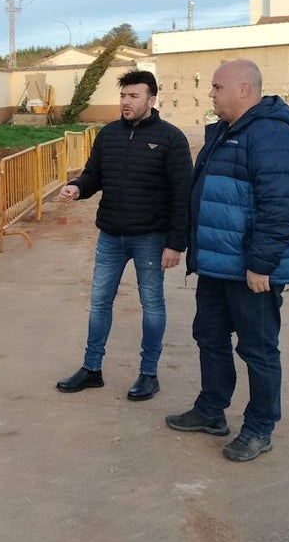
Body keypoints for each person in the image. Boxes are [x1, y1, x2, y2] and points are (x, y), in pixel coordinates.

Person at [165, 59, 289, 462]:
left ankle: (260, 428)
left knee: (258, 350)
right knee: (208, 337)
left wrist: (262, 264)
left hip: (251, 271)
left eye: (216, 86)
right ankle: (211, 410)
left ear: (244, 89)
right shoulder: (225, 132)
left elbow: (280, 206)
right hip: (216, 263)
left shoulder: (271, 135)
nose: (210, 93)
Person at [55, 69, 191, 401]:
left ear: (151, 99)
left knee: (152, 305)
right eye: (123, 96)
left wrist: (176, 243)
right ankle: (92, 369)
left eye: (133, 96)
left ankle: (149, 374)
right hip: (111, 236)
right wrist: (77, 187)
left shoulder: (171, 138)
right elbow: (94, 175)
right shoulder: (109, 135)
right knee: (99, 303)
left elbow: (183, 195)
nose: (126, 102)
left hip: (151, 238)